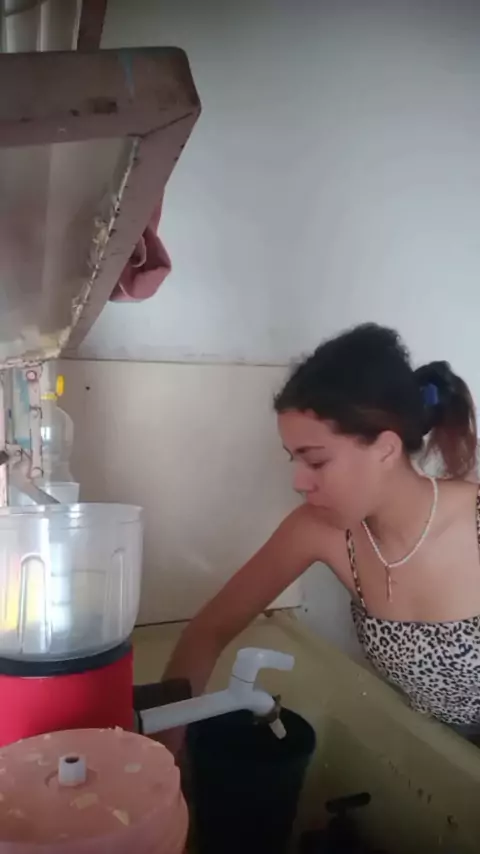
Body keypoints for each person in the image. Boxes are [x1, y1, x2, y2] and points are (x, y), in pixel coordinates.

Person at [163, 323, 480, 740]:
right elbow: (208, 631)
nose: (299, 482)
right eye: (293, 459)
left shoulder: (472, 517)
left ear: (386, 449)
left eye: (316, 461)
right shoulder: (318, 528)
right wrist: (165, 742)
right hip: (433, 747)